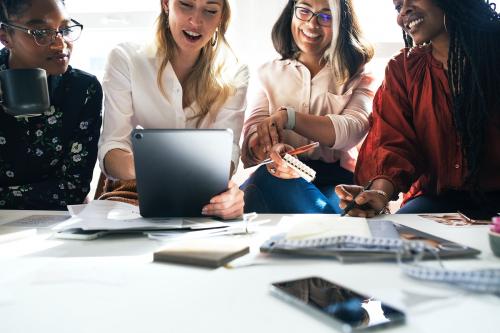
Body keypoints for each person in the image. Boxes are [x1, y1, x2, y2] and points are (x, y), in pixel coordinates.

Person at [335, 0, 500, 218]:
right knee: (393, 237)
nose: (404, 11)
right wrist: (378, 194)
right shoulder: (403, 70)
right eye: (398, 6)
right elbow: (393, 144)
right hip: (439, 199)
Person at [98, 0, 248, 219]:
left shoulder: (235, 73)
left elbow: (227, 155)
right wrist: (151, 169)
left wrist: (228, 196)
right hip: (133, 188)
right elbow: (112, 148)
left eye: (210, 11)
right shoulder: (127, 59)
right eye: (186, 5)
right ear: (166, 4)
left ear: (222, 16)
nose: (196, 21)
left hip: (203, 192)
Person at [240, 0, 375, 213]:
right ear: (292, 13)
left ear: (341, 23)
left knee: (342, 212)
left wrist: (290, 118)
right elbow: (252, 138)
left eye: (326, 16)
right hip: (278, 173)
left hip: (336, 181)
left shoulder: (357, 75)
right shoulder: (267, 73)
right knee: (267, 179)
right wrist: (270, 147)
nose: (312, 24)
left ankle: (335, 236)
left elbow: (353, 128)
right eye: (304, 11)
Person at [0, 0, 102, 210]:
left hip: (55, 224)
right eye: (40, 32)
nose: (60, 43)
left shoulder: (83, 89)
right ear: (5, 37)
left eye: (64, 29)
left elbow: (73, 189)